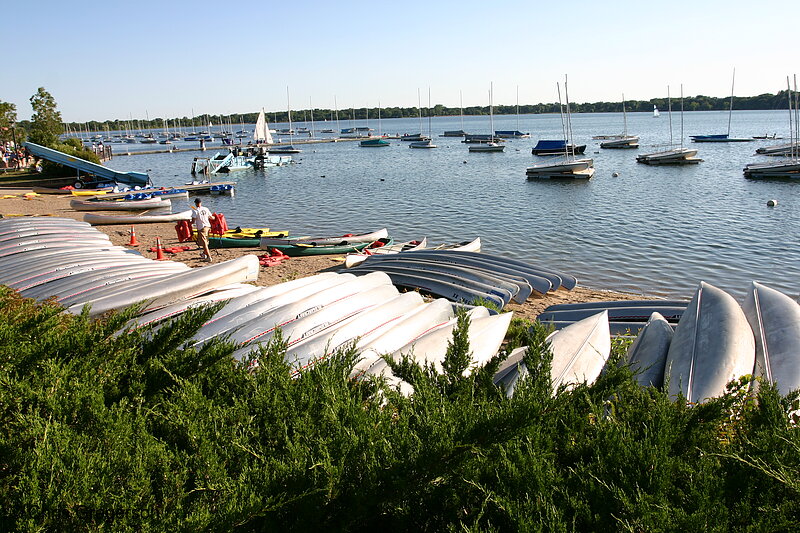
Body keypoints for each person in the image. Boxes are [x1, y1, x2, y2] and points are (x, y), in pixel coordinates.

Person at [191, 198, 215, 262]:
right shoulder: (206, 209)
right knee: (206, 241)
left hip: (201, 228)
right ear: (201, 202)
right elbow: (212, 217)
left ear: (196, 203)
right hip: (208, 226)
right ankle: (204, 254)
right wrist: (216, 217)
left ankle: (209, 257)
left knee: (204, 243)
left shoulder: (195, 211)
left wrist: (189, 223)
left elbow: (193, 221)